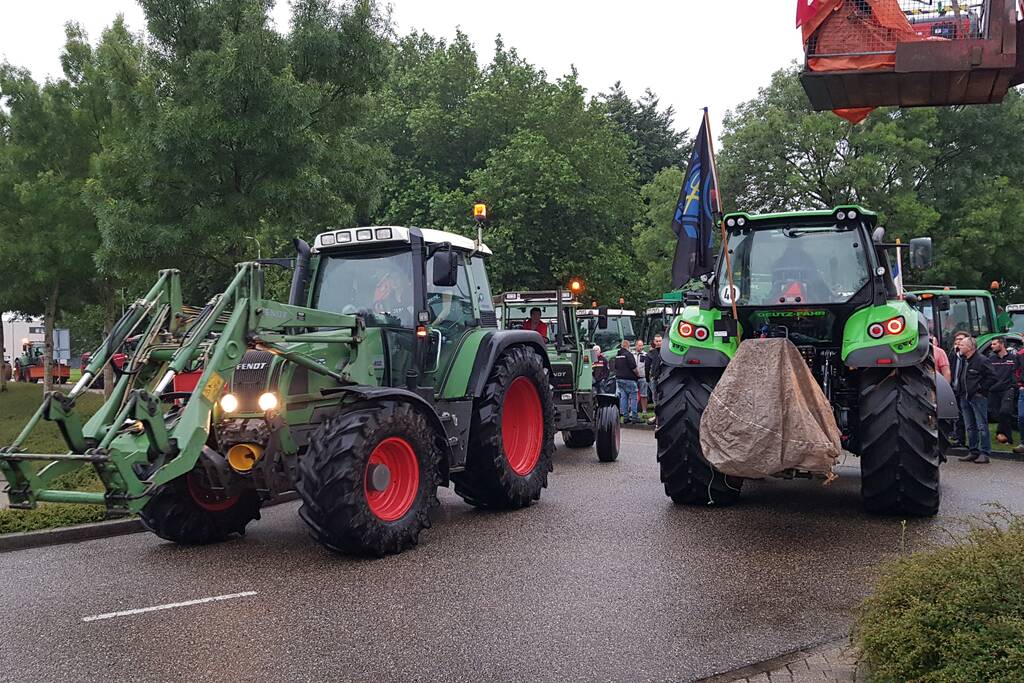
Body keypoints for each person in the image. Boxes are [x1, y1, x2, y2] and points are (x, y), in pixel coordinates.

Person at [954, 336, 996, 464]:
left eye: (962, 345)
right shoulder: (963, 360)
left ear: (970, 347)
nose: (958, 347)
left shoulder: (982, 360)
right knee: (970, 426)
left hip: (977, 397)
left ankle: (985, 452)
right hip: (964, 397)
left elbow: (992, 377)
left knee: (981, 425)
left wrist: (980, 390)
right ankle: (973, 451)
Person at [988, 337, 1016, 445]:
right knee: (995, 414)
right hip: (993, 390)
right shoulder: (990, 359)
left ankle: (1006, 436)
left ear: (1002, 344)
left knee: (1005, 411)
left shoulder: (1013, 358)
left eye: (994, 344)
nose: (992, 346)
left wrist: (1014, 385)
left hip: (1007, 389)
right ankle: (1001, 434)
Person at [613, 338, 640, 423]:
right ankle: (634, 417)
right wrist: (638, 375)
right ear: (628, 346)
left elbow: (616, 367)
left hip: (619, 379)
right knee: (634, 398)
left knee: (623, 398)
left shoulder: (617, 356)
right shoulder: (629, 355)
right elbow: (633, 367)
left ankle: (625, 417)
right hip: (629, 379)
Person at [646, 334, 664, 425]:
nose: (658, 343)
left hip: (664, 377)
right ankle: (657, 417)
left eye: (660, 341)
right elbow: (647, 366)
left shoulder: (666, 352)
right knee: (655, 399)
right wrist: (647, 378)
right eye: (657, 341)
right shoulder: (651, 353)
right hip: (654, 378)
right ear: (654, 342)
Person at [634, 340, 649, 417]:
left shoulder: (645, 355)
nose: (641, 347)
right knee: (633, 395)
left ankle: (644, 411)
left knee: (644, 395)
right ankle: (633, 411)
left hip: (643, 377)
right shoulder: (632, 354)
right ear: (636, 346)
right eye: (639, 345)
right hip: (634, 378)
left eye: (642, 345)